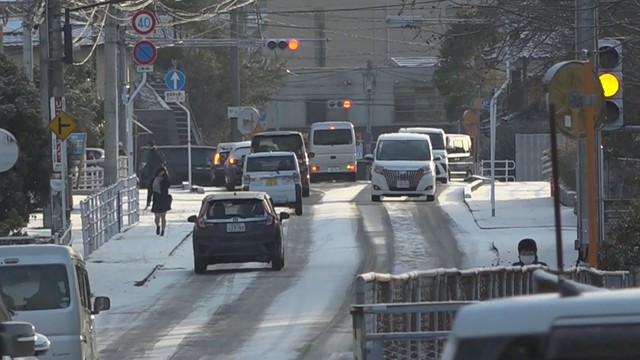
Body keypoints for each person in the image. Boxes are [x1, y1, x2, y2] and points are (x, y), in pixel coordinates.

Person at [146, 166, 171, 236]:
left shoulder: (165, 180)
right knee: (157, 217)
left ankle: (163, 230)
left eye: (163, 172)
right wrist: (148, 200)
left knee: (163, 216)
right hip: (156, 199)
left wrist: (165, 178)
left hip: (164, 199)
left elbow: (168, 185)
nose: (161, 174)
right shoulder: (153, 180)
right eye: (160, 172)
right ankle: (158, 226)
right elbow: (150, 191)